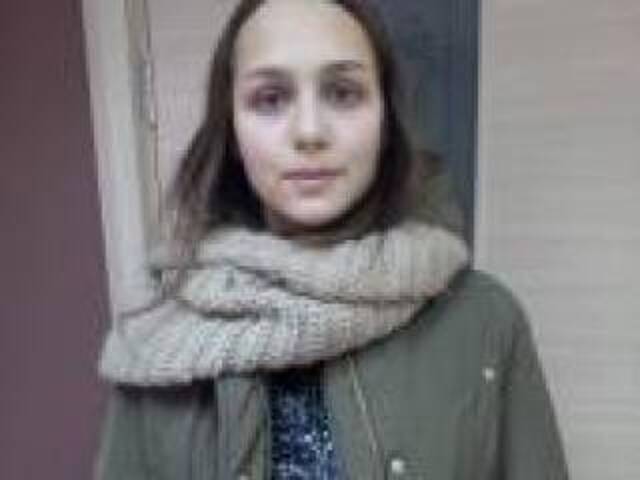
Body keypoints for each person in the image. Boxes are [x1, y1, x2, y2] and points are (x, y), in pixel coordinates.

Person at [94, 0, 570, 479]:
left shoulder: (485, 320)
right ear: (232, 131)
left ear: (385, 121)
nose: (309, 132)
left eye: (343, 93)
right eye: (270, 98)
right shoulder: (159, 339)